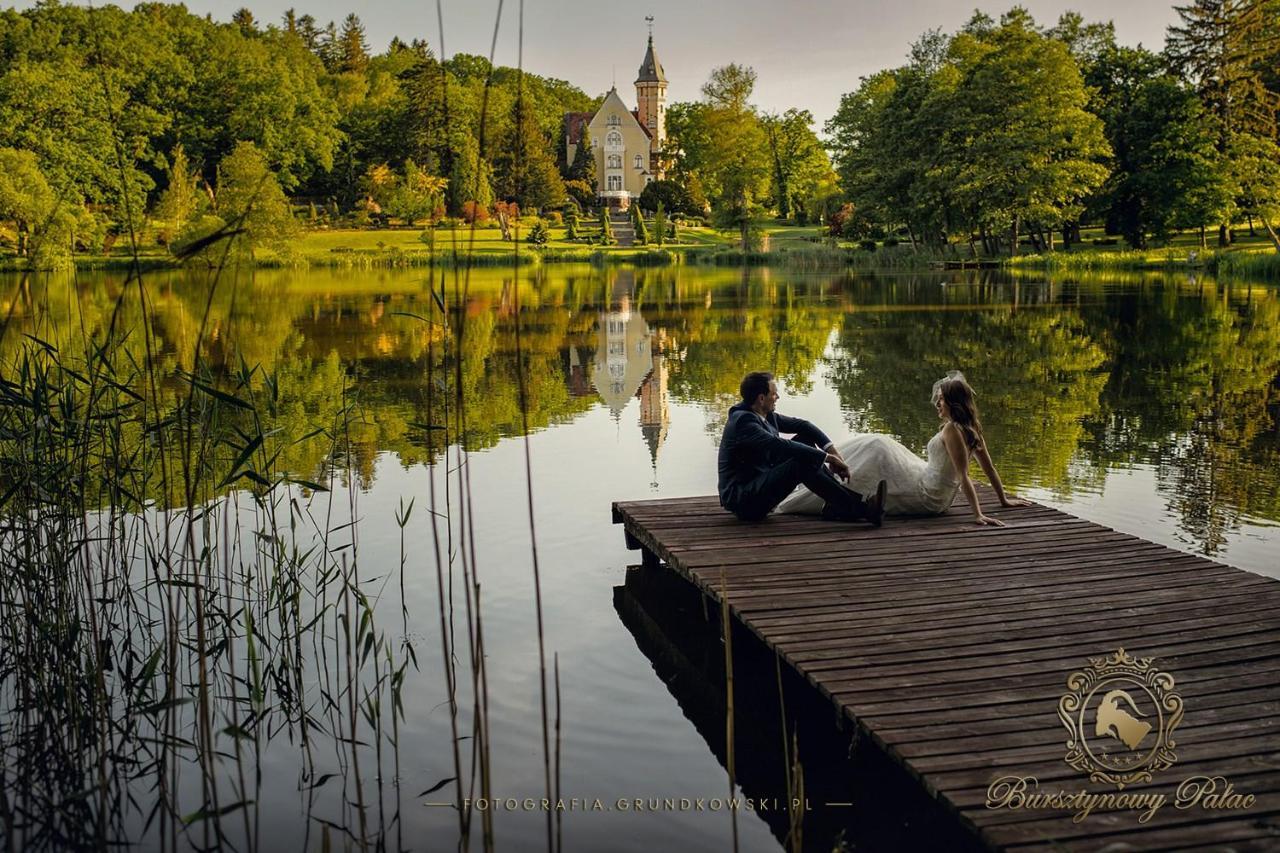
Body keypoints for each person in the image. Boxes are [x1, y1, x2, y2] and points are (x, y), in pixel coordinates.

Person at [777, 371, 1030, 526]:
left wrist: (978, 514)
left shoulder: (953, 429)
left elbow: (965, 475)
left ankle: (823, 479)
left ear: (954, 403)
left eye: (941, 399)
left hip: (929, 495)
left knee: (876, 449)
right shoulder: (972, 428)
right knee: (876, 446)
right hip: (933, 486)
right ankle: (830, 476)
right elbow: (990, 469)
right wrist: (1003, 500)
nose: (937, 404)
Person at [718, 371, 886, 524]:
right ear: (761, 398)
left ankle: (839, 506)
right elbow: (779, 445)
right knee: (800, 463)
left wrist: (833, 452)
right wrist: (827, 458)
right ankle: (862, 510)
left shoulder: (764, 414)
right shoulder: (743, 421)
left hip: (759, 484)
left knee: (805, 440)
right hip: (743, 500)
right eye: (774, 393)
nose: (778, 397)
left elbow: (804, 426)